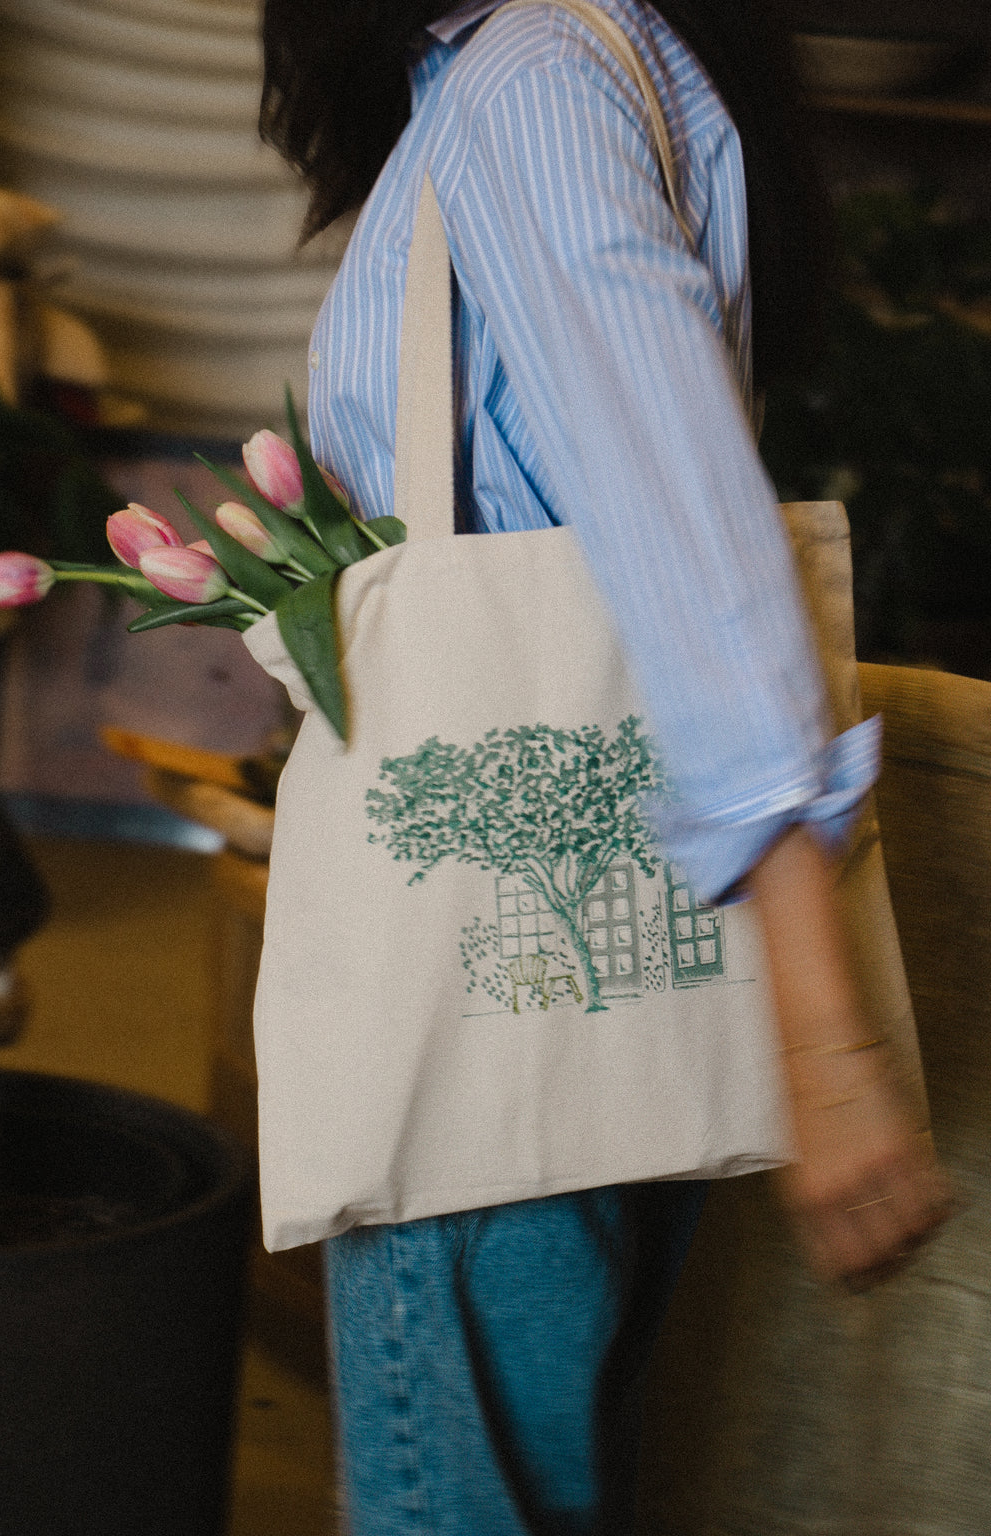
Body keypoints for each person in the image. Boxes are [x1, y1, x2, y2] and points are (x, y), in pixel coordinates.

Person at [257, 2, 953, 1530]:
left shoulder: (532, 80)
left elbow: (685, 528)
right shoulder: (624, 56)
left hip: (484, 991)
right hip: (619, 966)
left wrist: (831, 1044)